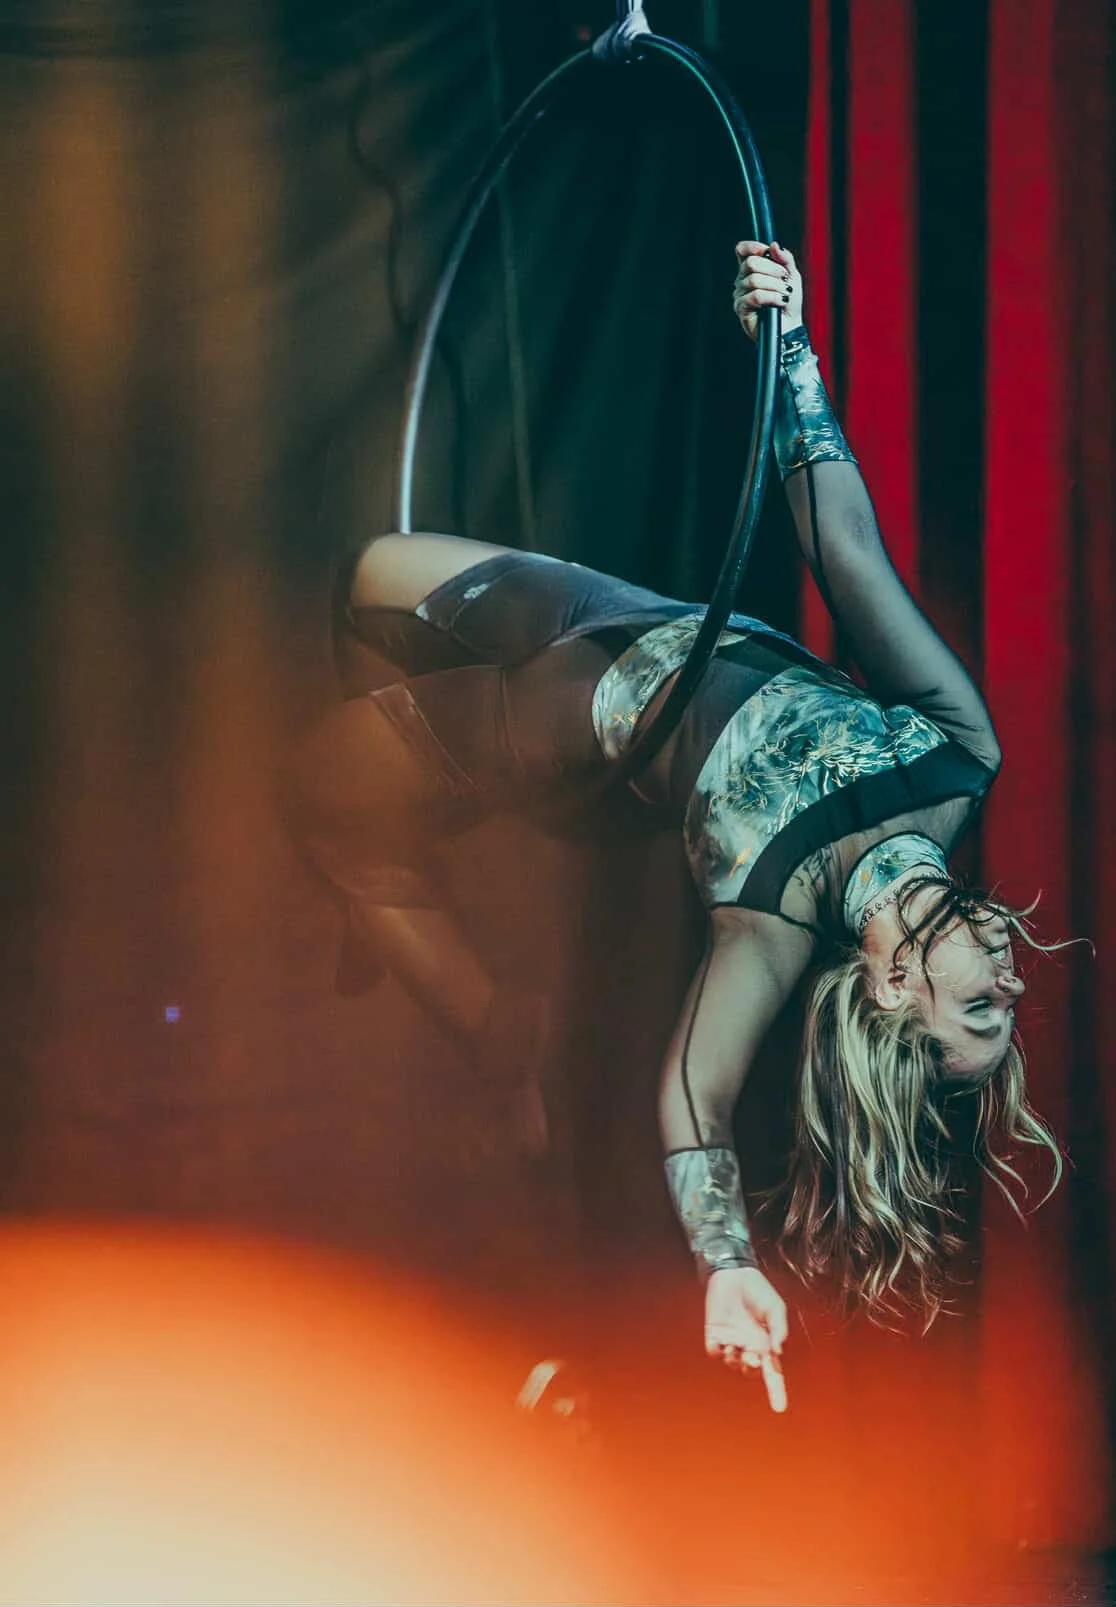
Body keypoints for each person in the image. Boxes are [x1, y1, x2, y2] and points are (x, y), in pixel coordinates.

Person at [285, 240, 1062, 1414]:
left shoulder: (775, 917)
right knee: (363, 575)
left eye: (983, 1010)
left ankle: (484, 1012)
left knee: (318, 800)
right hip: (619, 614)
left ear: (898, 987)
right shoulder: (957, 759)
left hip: (544, 721)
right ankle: (407, 862)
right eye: (1006, 1003)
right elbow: (845, 551)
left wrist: (725, 1263)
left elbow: (695, 1098)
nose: (1011, 977)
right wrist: (789, 347)